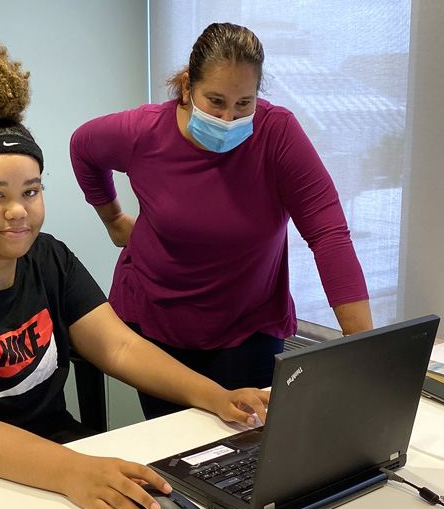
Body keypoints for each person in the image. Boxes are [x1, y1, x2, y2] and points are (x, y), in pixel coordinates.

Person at [0, 41, 269, 509]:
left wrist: (216, 396)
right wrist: (74, 472)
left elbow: (119, 346)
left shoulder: (49, 257)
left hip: (55, 460)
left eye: (31, 191)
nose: (17, 211)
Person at [70, 22, 373, 420]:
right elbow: (83, 147)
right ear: (186, 88)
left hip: (248, 326)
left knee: (252, 440)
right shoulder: (143, 132)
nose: (229, 117)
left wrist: (364, 349)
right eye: (215, 101)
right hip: (157, 322)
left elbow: (328, 233)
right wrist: (113, 219)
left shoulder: (277, 135)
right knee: (178, 449)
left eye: (244, 103)